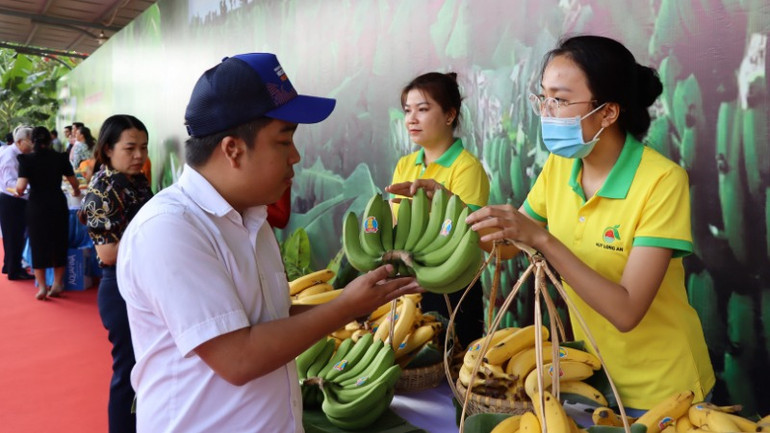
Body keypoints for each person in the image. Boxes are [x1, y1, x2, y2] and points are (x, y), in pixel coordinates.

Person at [116, 53, 421, 432]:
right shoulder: (169, 229)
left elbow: (269, 320)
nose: (296, 156)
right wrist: (345, 306)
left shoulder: (251, 219)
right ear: (233, 149)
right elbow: (238, 357)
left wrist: (358, 303)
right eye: (284, 141)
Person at [466, 35, 715, 412]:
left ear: (608, 112)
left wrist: (543, 240)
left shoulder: (662, 181)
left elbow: (626, 312)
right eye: (543, 98)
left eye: (561, 99)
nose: (547, 112)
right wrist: (452, 212)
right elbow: (506, 248)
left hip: (665, 389)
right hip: (592, 378)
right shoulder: (560, 166)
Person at [384, 71, 490, 346]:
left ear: (449, 115)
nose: (411, 119)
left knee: (454, 361)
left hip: (452, 285)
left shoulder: (466, 168)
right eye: (407, 110)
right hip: (408, 283)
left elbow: (469, 233)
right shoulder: (405, 165)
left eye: (422, 109)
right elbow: (396, 225)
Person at [81, 115, 154, 433]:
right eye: (130, 148)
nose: (139, 155)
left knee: (149, 367)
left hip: (146, 282)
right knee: (129, 372)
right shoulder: (101, 191)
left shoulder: (136, 181)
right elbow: (108, 253)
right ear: (108, 149)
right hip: (120, 288)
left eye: (144, 147)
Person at [15, 126, 80, 299]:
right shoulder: (60, 158)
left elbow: (20, 187)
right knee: (59, 242)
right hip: (57, 204)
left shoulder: (26, 160)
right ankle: (57, 284)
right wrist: (76, 191)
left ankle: (42, 287)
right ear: (50, 140)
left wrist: (18, 192)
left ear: (32, 141)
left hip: (36, 206)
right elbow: (74, 182)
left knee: (38, 244)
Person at [0, 125, 35, 280]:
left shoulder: (18, 154)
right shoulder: (10, 156)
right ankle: (14, 271)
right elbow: (10, 182)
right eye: (30, 141)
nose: (33, 144)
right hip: (12, 200)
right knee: (14, 236)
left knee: (13, 235)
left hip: (15, 199)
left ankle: (9, 265)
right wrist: (30, 187)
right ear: (20, 141)